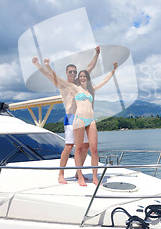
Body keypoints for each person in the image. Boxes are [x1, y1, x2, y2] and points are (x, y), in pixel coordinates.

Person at [32, 46, 100, 184]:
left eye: (75, 71)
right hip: (71, 118)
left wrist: (97, 54)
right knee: (69, 146)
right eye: (71, 72)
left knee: (86, 146)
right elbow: (49, 75)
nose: (73, 74)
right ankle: (60, 174)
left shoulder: (79, 84)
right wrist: (39, 64)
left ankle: (78, 172)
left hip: (83, 119)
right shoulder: (62, 85)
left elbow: (89, 68)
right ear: (66, 73)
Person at [45, 60, 118, 186]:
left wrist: (114, 70)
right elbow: (58, 79)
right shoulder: (74, 87)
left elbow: (105, 81)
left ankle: (95, 177)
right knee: (77, 149)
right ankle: (79, 176)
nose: (83, 78)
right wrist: (47, 66)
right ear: (79, 79)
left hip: (91, 120)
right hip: (78, 120)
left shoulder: (92, 90)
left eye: (85, 76)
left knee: (93, 149)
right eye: (81, 76)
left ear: (88, 78)